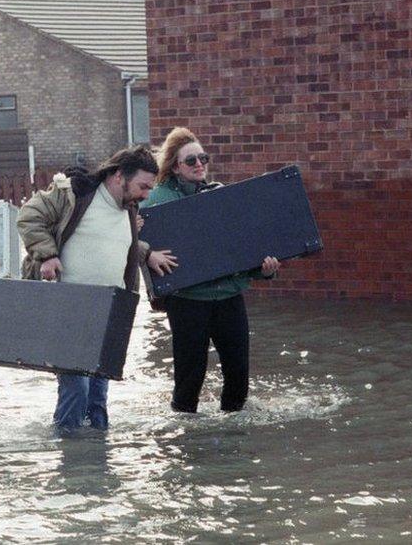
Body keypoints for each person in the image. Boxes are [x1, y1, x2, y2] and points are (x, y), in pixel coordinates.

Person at [17, 145, 177, 431]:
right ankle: (70, 459)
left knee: (98, 400)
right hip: (67, 311)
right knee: (76, 390)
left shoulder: (129, 209)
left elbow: (111, 243)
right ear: (118, 176)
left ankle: (98, 465)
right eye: (142, 186)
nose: (146, 194)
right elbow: (28, 217)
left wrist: (146, 253)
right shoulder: (74, 193)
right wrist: (47, 254)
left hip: (108, 316)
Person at [140, 127, 281, 413]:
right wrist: (148, 252)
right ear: (175, 167)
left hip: (229, 296)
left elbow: (239, 248)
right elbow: (127, 234)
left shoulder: (219, 197)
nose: (199, 164)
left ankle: (234, 438)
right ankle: (188, 441)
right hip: (188, 302)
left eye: (203, 158)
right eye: (191, 161)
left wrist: (265, 270)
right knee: (189, 379)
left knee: (238, 374)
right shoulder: (155, 201)